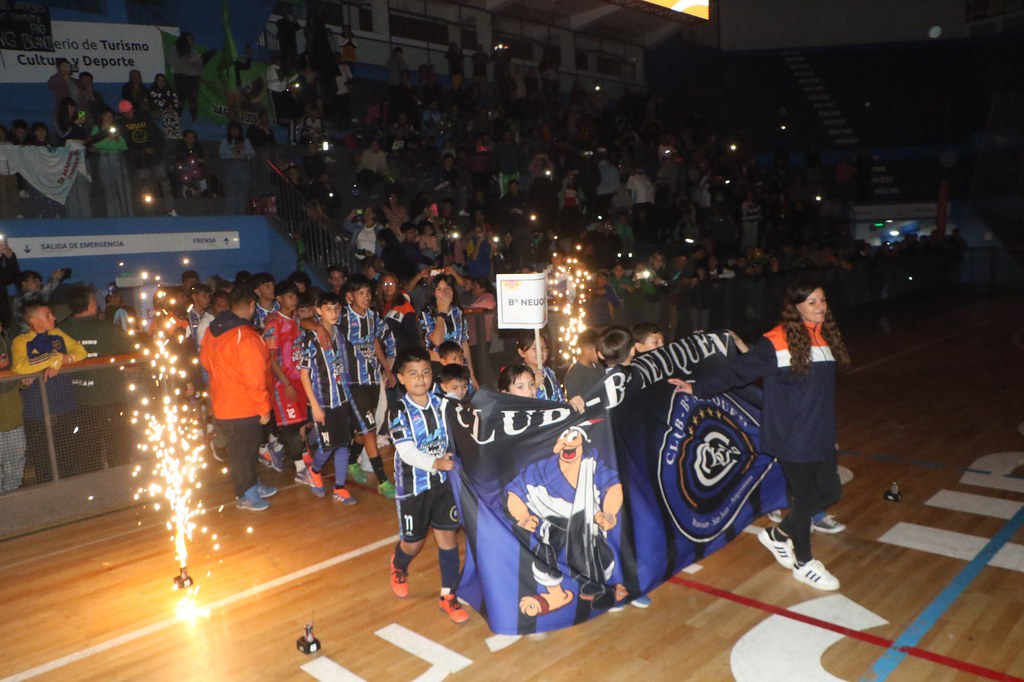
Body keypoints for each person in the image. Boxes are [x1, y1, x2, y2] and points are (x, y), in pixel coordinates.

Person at [674, 281, 850, 591]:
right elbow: (736, 372)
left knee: (830, 492)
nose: (820, 306)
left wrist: (830, 431)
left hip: (820, 430)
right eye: (812, 302)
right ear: (796, 306)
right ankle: (804, 563)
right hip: (792, 435)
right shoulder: (776, 342)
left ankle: (777, 535)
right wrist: (697, 388)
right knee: (805, 499)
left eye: (822, 300)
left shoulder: (825, 336)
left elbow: (822, 395)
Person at [387, 347, 469, 624]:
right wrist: (435, 462)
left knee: (447, 539)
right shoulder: (398, 411)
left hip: (445, 483)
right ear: (400, 378)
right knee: (413, 543)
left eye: (425, 373)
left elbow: (473, 403)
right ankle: (399, 565)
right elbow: (407, 452)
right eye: (413, 374)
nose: (420, 379)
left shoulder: (443, 402)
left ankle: (448, 595)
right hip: (414, 486)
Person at [200, 287, 277, 511]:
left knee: (245, 450)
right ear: (252, 305)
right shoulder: (247, 337)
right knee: (243, 453)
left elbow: (205, 361)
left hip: (223, 404)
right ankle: (245, 494)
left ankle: (251, 483)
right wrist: (263, 408)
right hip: (244, 407)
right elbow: (255, 378)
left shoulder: (212, 331)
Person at [58, 284, 135, 468]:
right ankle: (120, 487)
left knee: (88, 454)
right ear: (92, 304)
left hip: (75, 402)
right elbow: (132, 351)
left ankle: (94, 490)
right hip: (110, 399)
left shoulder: (59, 330)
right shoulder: (107, 329)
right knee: (118, 450)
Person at [296, 292, 358, 503]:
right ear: (319, 311)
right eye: (328, 309)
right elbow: (304, 375)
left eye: (336, 308)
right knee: (327, 445)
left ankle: (340, 488)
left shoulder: (339, 335)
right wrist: (314, 406)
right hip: (323, 400)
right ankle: (313, 471)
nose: (333, 313)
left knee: (343, 444)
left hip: (341, 399)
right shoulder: (311, 339)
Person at [339, 275, 396, 498]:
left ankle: (352, 461)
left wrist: (387, 369)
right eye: (361, 293)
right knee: (369, 429)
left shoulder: (372, 316)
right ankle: (383, 479)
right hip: (353, 382)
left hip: (372, 379)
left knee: (364, 429)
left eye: (368, 293)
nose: (366, 297)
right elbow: (311, 321)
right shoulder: (341, 317)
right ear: (349, 297)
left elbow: (375, 341)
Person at [261, 281, 313, 484]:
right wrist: (286, 384)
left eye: (295, 296)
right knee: (292, 426)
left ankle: (278, 444)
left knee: (300, 423)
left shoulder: (295, 321)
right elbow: (271, 359)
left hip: (299, 380)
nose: (294, 299)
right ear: (279, 298)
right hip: (284, 382)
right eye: (289, 296)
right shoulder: (274, 324)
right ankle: (300, 470)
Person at [419, 272, 477, 389]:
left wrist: (471, 374)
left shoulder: (458, 312)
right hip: (438, 367)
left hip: (459, 366)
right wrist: (441, 313)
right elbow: (437, 341)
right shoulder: (427, 312)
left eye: (447, 288)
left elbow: (464, 343)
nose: (444, 292)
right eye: (439, 289)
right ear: (433, 292)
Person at [0, 318, 30, 493]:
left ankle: (13, 502)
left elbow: (14, 373)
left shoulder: (7, 342)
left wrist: (22, 381)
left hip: (14, 416)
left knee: (16, 461)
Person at [89, 108, 133, 217]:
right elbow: (95, 145)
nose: (109, 118)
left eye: (111, 116)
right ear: (102, 117)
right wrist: (108, 141)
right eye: (106, 115)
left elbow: (124, 146)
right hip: (104, 158)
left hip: (118, 158)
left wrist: (116, 140)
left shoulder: (116, 129)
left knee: (123, 187)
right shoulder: (97, 129)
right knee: (109, 189)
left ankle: (128, 214)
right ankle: (113, 215)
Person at [169, 32, 217, 121]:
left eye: (192, 39)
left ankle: (194, 119)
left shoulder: (193, 52)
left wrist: (195, 64)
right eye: (190, 38)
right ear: (184, 39)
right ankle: (177, 118)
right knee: (180, 99)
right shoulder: (175, 49)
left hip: (193, 79)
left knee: (192, 99)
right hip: (180, 77)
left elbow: (199, 64)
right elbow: (171, 62)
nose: (192, 40)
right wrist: (185, 62)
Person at [219, 121, 255, 215]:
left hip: (243, 166)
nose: (235, 132)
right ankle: (230, 216)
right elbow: (222, 154)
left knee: (243, 192)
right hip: (231, 166)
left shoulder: (245, 140)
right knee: (232, 192)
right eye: (232, 130)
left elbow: (252, 153)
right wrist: (233, 150)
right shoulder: (225, 141)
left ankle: (242, 215)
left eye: (237, 130)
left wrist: (244, 151)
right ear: (229, 131)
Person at [563, 328, 604, 400]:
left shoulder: (599, 367)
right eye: (598, 349)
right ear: (586, 349)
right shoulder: (574, 375)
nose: (601, 353)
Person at [148, 73, 182, 140]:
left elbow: (175, 100)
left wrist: (173, 108)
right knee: (166, 114)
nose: (161, 82)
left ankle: (177, 134)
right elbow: (155, 103)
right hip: (157, 111)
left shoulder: (170, 90)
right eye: (159, 80)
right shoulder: (152, 91)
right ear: (156, 81)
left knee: (173, 114)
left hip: (170, 110)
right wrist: (165, 108)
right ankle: (169, 134)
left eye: (163, 80)